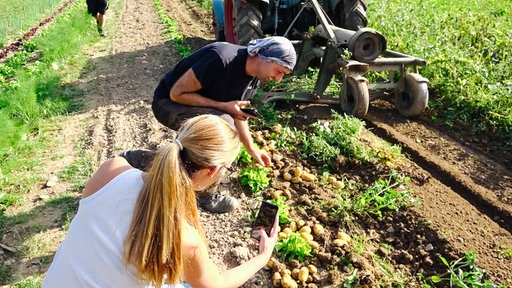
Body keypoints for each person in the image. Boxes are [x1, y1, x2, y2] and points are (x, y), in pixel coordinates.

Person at [42, 115, 279, 288]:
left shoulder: (111, 170)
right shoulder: (184, 237)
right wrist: (262, 257)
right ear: (212, 170)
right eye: (228, 167)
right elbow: (214, 285)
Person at [121, 36, 297, 213]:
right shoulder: (221, 58)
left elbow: (237, 115)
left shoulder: (254, 78)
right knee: (224, 128)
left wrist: (252, 149)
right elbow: (177, 93)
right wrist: (223, 106)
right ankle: (203, 195)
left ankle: (141, 159)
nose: (278, 79)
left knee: (226, 127)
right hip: (167, 105)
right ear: (264, 57)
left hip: (197, 110)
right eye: (279, 71)